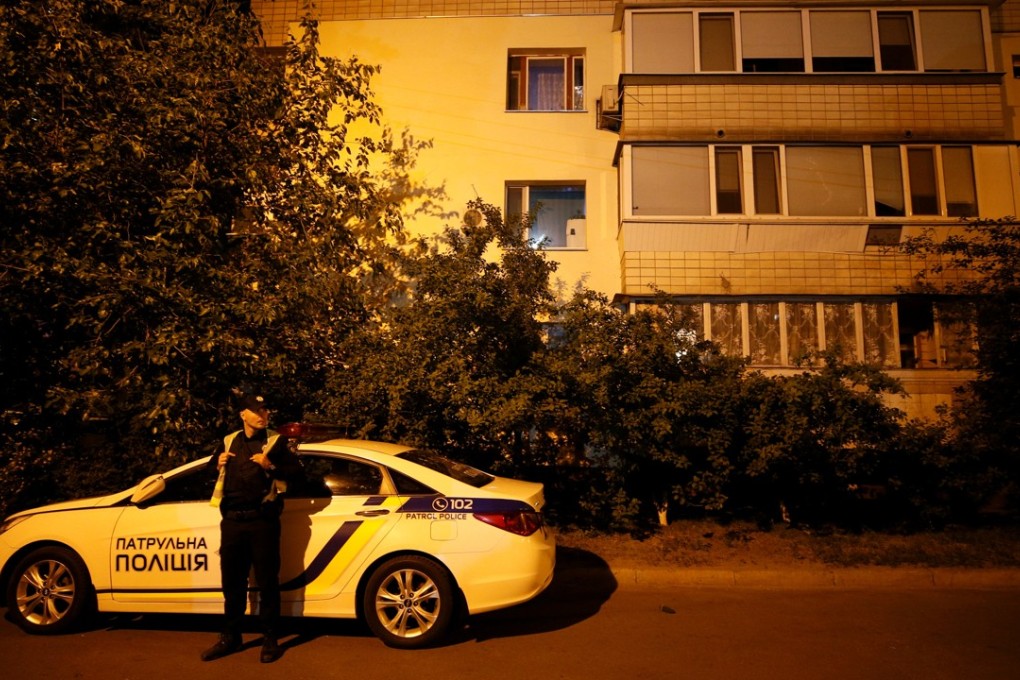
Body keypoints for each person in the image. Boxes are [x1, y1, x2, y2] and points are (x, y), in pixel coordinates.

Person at [201, 391, 299, 663]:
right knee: (232, 583)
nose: (263, 415)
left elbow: (297, 475)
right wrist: (216, 464)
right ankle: (231, 637)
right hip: (232, 521)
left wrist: (270, 465)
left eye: (265, 410)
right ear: (243, 414)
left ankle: (270, 639)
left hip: (262, 521)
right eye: (257, 411)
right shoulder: (228, 441)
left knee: (267, 582)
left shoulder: (276, 442)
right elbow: (208, 473)